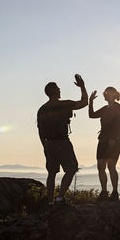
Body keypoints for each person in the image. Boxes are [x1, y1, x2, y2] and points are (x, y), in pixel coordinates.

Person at [37, 74, 88, 205]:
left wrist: (45, 147)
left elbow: (40, 131)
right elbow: (84, 102)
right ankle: (59, 198)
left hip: (49, 144)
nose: (60, 90)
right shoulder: (64, 105)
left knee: (52, 173)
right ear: (55, 91)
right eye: (58, 88)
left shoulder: (42, 110)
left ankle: (50, 202)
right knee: (71, 168)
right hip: (62, 142)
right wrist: (82, 87)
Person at [89, 86, 120, 201]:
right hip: (103, 140)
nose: (105, 94)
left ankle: (115, 192)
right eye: (105, 92)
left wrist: (114, 138)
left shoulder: (119, 109)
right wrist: (90, 101)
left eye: (108, 92)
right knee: (101, 166)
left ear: (113, 94)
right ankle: (104, 192)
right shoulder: (105, 109)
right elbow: (91, 115)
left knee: (111, 165)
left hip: (114, 141)